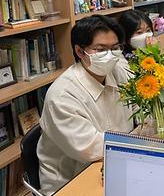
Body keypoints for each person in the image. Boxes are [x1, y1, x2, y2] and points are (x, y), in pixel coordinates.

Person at [37, 15, 134, 195]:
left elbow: (139, 107)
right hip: (72, 182)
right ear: (80, 51)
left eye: (115, 48)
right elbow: (90, 148)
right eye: (100, 49)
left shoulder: (118, 70)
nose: (110, 56)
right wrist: (141, 142)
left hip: (117, 163)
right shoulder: (62, 95)